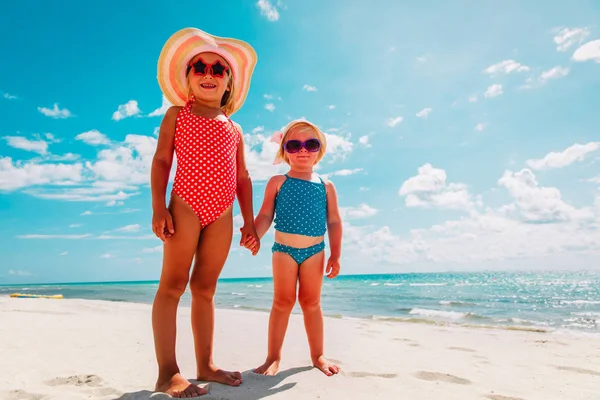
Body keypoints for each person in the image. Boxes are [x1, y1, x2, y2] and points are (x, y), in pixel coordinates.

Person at [150, 27, 259, 398]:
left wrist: (249, 221)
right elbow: (163, 160)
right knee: (173, 286)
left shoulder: (235, 128)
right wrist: (159, 207)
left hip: (223, 213)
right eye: (200, 67)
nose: (209, 74)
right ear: (188, 77)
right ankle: (167, 373)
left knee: (205, 289)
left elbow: (242, 177)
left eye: (218, 69)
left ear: (229, 82)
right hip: (185, 205)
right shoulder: (177, 115)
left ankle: (206, 364)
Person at [244, 119, 343, 377]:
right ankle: (273, 357)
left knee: (311, 303)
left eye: (310, 144)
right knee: (282, 302)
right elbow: (266, 215)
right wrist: (255, 234)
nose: (302, 150)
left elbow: (333, 220)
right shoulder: (278, 181)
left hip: (315, 251)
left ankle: (317, 355)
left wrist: (336, 254)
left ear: (319, 149)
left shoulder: (326, 185)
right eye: (294, 144)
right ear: (284, 150)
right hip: (284, 250)